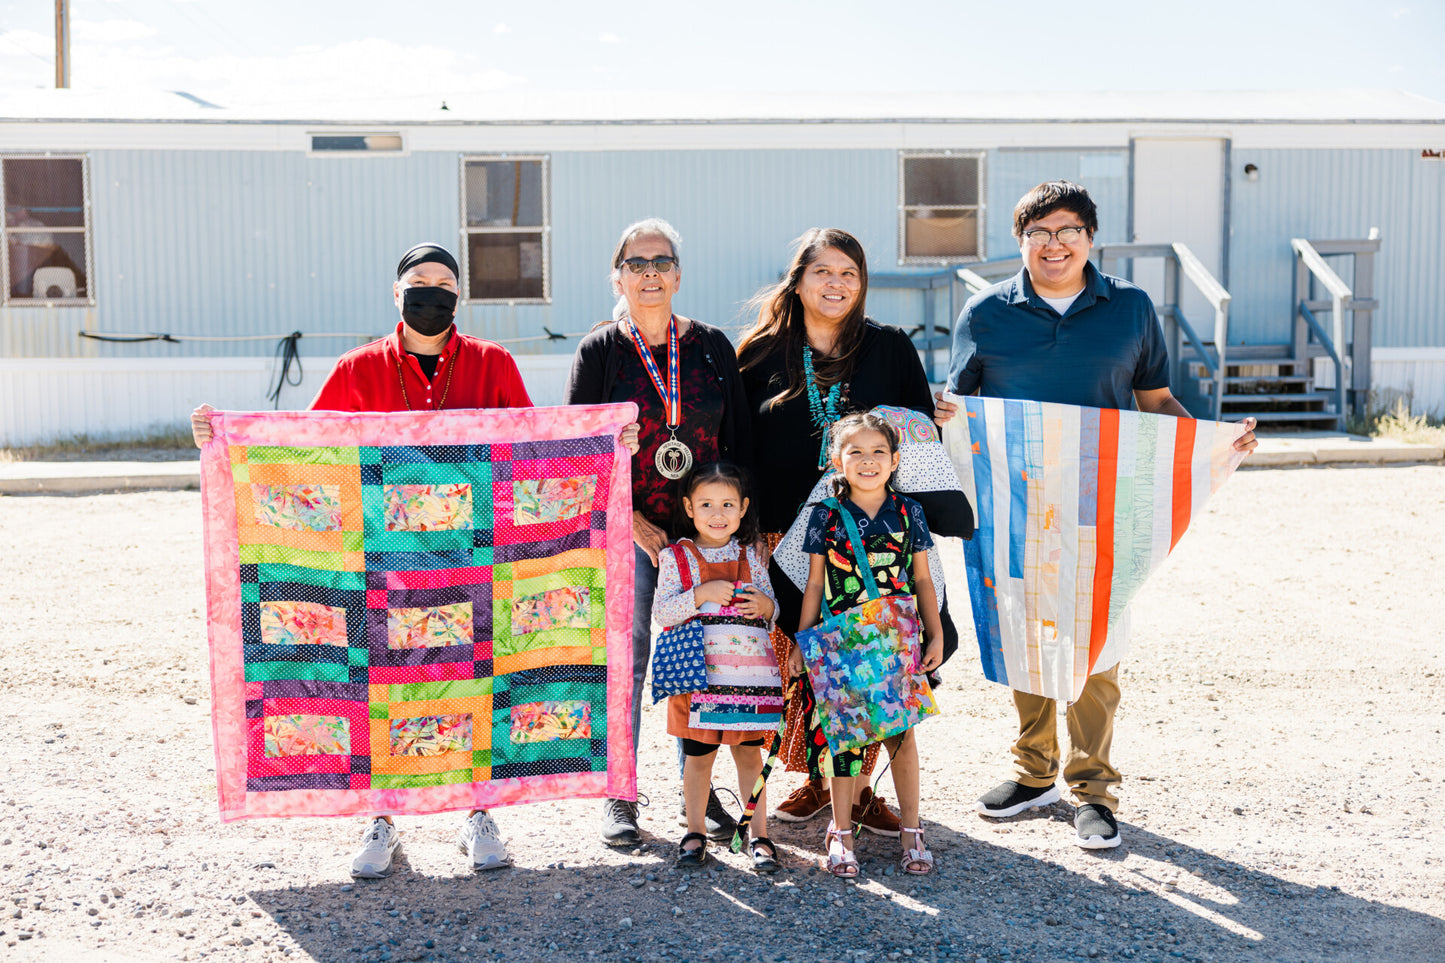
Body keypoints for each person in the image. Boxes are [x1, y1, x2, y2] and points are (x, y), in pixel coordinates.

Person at [193, 242, 641, 877]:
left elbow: (540, 450)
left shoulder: (490, 362)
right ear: (396, 293)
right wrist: (224, 442)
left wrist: (607, 445)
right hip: (378, 570)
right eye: (419, 282)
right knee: (378, 683)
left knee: (478, 680)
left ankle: (478, 810)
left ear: (460, 296)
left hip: (475, 564)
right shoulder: (358, 368)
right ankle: (381, 818)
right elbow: (305, 456)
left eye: (444, 283)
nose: (432, 292)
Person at [947, 180, 1257, 850]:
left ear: (1089, 237)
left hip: (1104, 503)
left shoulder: (1131, 308)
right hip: (1018, 504)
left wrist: (1213, 439)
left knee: (1097, 643)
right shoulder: (985, 312)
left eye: (1065, 231)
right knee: (1025, 630)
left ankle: (1092, 788)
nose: (1052, 245)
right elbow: (958, 409)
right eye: (1037, 233)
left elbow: (1155, 402)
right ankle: (1033, 773)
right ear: (1019, 240)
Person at [736, 227, 960, 836]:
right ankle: (826, 780)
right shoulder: (759, 354)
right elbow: (739, 447)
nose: (836, 284)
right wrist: (752, 526)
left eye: (849, 274)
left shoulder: (888, 347)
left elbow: (919, 443)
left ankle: (863, 793)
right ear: (799, 280)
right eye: (823, 272)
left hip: (874, 542)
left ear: (862, 285)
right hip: (788, 538)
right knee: (808, 660)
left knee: (877, 660)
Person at [564, 218, 753, 848]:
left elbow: (737, 441)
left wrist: (734, 529)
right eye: (636, 263)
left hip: (705, 535)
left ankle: (695, 799)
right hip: (632, 532)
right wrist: (631, 520)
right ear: (617, 276)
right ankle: (620, 794)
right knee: (631, 658)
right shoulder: (601, 351)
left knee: (703, 657)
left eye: (661, 261)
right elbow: (579, 451)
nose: (649, 273)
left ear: (678, 274)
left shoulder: (710, 347)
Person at [792, 412, 943, 877]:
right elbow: (815, 584)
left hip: (897, 640)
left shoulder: (909, 511)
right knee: (845, 739)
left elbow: (922, 578)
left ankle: (912, 831)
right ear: (837, 461)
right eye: (854, 451)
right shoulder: (825, 516)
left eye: (878, 451)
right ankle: (840, 833)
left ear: (895, 459)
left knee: (902, 734)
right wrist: (803, 640)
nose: (867, 460)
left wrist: (934, 634)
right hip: (840, 642)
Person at [652, 462, 782, 872]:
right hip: (698, 681)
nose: (718, 513)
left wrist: (766, 607)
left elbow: (772, 608)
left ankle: (757, 834)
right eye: (706, 504)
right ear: (689, 508)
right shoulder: (675, 558)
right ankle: (694, 831)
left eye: (728, 504)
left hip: (747, 681)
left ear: (743, 508)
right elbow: (663, 613)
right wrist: (701, 592)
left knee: (749, 756)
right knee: (698, 756)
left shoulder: (751, 557)